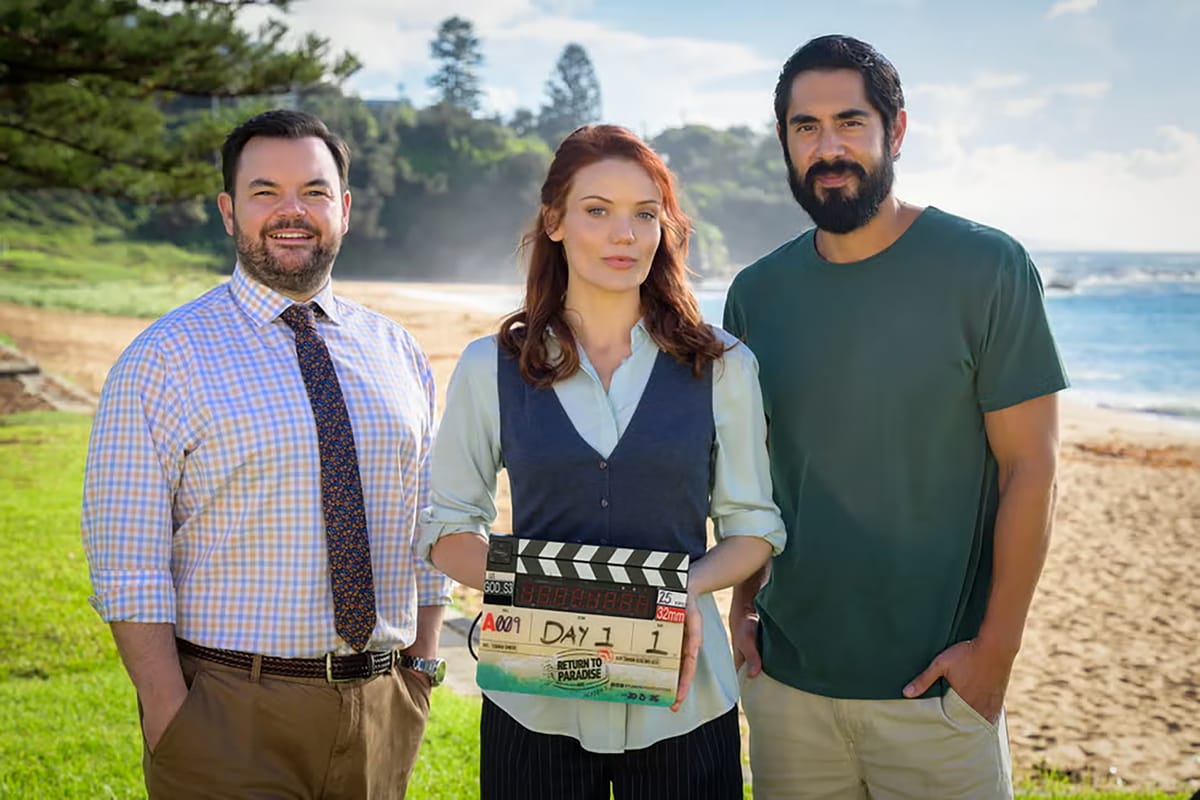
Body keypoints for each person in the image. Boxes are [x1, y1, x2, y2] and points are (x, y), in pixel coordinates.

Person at [724, 35, 1069, 800]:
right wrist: (744, 607)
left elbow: (1032, 468)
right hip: (787, 691)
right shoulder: (757, 293)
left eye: (850, 122)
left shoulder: (987, 268)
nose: (828, 147)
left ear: (897, 131)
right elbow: (754, 474)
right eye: (805, 128)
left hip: (939, 695)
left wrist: (996, 653)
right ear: (783, 140)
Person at [81, 109, 451, 799]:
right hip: (228, 710)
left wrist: (421, 667)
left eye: (314, 191)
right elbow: (127, 560)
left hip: (381, 705)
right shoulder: (164, 357)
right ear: (228, 210)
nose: (292, 211)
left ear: (343, 208)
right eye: (264, 192)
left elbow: (427, 521)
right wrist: (170, 715)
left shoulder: (398, 352)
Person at [419, 124, 786, 800]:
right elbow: (446, 534)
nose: (626, 234)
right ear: (554, 222)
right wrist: (592, 608)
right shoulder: (488, 367)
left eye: (645, 214)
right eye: (598, 211)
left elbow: (754, 529)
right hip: (535, 700)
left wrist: (672, 597)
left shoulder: (724, 365)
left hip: (684, 703)